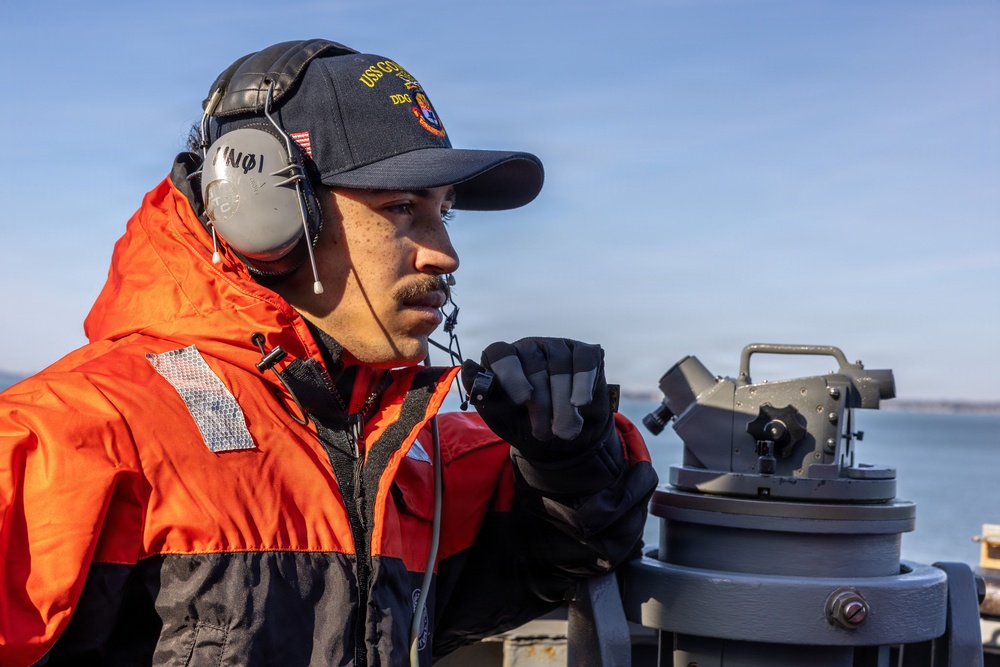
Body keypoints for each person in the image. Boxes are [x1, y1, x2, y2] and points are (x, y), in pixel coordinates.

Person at [0, 39, 658, 666]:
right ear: (267, 211)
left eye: (444, 212)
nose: (444, 252)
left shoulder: (394, 453)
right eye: (401, 207)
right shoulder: (65, 435)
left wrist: (567, 453)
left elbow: (564, 548)